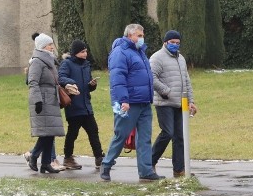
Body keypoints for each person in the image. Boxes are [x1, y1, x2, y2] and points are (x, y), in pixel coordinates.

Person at [99, 24, 164, 182]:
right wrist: (123, 100)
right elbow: (117, 79)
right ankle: (106, 164)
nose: (142, 38)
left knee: (144, 138)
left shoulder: (140, 52)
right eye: (139, 35)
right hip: (127, 103)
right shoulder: (120, 52)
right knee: (120, 135)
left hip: (143, 102)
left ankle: (146, 170)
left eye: (142, 35)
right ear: (129, 36)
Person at [150, 30, 198, 177]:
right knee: (167, 133)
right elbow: (151, 77)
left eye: (177, 43)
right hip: (164, 102)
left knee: (180, 136)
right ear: (165, 42)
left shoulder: (181, 59)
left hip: (180, 103)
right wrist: (166, 91)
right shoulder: (157, 58)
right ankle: (149, 162)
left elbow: (186, 81)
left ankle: (179, 169)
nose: (175, 45)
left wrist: (191, 101)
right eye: (172, 43)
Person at [58, 40, 104, 170]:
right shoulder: (67, 64)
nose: (85, 53)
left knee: (93, 131)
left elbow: (87, 86)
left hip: (86, 105)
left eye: (86, 51)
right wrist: (71, 82)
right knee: (73, 133)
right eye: (82, 51)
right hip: (73, 105)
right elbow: (61, 77)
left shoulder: (86, 65)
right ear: (75, 53)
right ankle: (68, 158)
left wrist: (92, 85)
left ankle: (99, 157)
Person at [24, 33, 66, 172]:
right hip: (43, 100)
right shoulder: (37, 61)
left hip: (51, 99)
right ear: (42, 46)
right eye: (49, 44)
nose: (52, 47)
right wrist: (37, 100)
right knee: (46, 133)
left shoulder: (48, 60)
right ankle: (34, 155)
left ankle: (46, 163)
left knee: (50, 133)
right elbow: (32, 82)